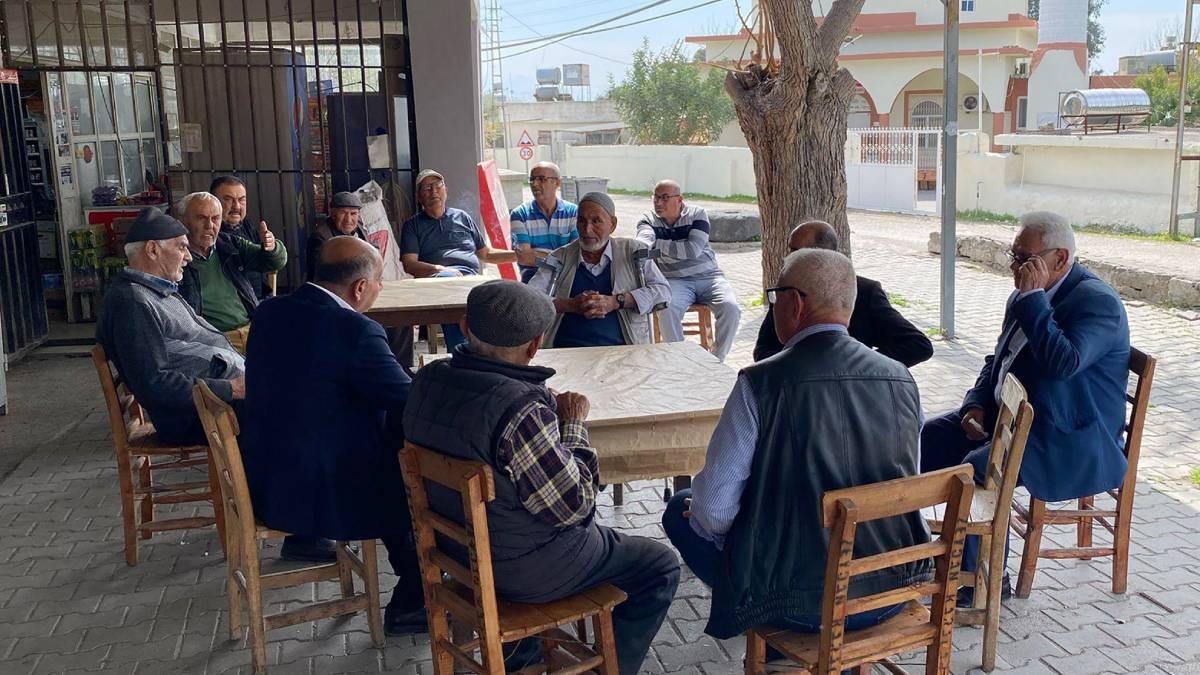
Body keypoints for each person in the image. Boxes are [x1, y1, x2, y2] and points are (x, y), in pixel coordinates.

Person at [404, 280, 680, 675]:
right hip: (521, 572)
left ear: (465, 327)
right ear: (535, 346)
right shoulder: (518, 409)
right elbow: (576, 505)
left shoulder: (426, 380)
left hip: (455, 554)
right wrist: (571, 424)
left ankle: (523, 655)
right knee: (659, 565)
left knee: (518, 508)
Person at [662, 248, 930, 641]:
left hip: (799, 603)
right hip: (891, 586)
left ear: (795, 302)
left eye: (775, 297)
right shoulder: (901, 380)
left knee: (679, 508)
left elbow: (715, 511)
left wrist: (742, 540)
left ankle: (774, 636)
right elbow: (906, 480)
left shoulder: (760, 382)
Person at [921, 211, 1130, 605]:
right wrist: (976, 404)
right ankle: (908, 549)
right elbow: (998, 360)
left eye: (1024, 258)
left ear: (1060, 259)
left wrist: (1033, 301)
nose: (1015, 266)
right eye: (1013, 255)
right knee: (925, 439)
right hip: (1010, 417)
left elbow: (1063, 362)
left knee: (975, 469)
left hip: (1067, 433)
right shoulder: (1025, 294)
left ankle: (979, 583)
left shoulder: (1097, 302)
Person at [239, 236, 426, 634]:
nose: (380, 289)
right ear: (360, 288)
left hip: (266, 477)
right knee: (414, 466)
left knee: (387, 434)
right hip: (316, 492)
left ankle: (407, 585)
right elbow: (408, 400)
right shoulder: (356, 331)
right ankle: (414, 599)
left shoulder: (270, 312)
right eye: (379, 281)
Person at [96, 207, 246, 445]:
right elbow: (154, 383)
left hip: (214, 403)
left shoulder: (155, 291)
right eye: (181, 247)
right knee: (295, 413)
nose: (188, 256)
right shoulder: (133, 303)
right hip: (198, 416)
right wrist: (231, 389)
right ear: (152, 250)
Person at [754, 220, 933, 367]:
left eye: (796, 252)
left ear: (826, 255)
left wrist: (858, 366)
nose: (787, 258)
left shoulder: (865, 291)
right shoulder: (786, 291)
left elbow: (918, 345)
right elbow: (763, 350)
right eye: (790, 250)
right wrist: (801, 369)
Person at [401, 169, 537, 350]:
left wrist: (517, 255)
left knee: (505, 293)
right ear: (419, 196)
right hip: (438, 280)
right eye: (427, 188)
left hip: (471, 279)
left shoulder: (462, 217)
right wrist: (440, 269)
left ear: (446, 191)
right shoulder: (413, 225)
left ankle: (501, 352)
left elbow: (486, 254)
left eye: (437, 186)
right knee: (451, 289)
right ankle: (461, 352)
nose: (434, 191)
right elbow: (409, 264)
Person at [530, 192, 671, 348]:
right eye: (582, 221)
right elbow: (530, 300)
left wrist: (617, 301)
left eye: (596, 221)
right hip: (565, 350)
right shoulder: (560, 257)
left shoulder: (634, 252)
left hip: (622, 350)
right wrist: (570, 305)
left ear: (613, 224)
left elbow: (663, 292)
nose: (587, 229)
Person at [635, 180, 741, 362]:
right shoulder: (648, 219)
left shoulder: (697, 214)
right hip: (674, 280)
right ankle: (681, 360)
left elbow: (693, 250)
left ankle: (716, 360)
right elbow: (643, 243)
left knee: (731, 308)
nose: (659, 203)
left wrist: (658, 244)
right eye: (656, 198)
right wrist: (646, 245)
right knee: (666, 308)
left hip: (709, 278)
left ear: (679, 199)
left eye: (665, 198)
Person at [176, 191, 287, 354]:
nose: (210, 225)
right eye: (201, 218)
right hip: (214, 339)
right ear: (183, 221)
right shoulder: (175, 258)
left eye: (215, 219)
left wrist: (272, 248)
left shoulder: (229, 244)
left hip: (252, 328)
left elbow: (273, 262)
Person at [509, 161, 577, 282]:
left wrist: (537, 255)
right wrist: (562, 259)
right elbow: (524, 257)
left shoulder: (573, 213)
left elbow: (576, 256)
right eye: (532, 179)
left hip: (568, 279)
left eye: (541, 179)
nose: (534, 184)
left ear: (557, 183)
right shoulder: (520, 214)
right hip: (533, 280)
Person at [210, 175, 270, 300]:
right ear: (214, 202)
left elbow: (267, 262)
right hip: (236, 306)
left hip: (260, 299)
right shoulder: (210, 233)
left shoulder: (245, 225)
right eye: (228, 199)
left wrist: (270, 247)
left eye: (241, 200)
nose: (237, 206)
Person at [306, 191, 369, 281]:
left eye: (353, 214)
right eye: (343, 213)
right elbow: (324, 273)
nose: (348, 219)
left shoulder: (359, 227)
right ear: (333, 214)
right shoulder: (321, 237)